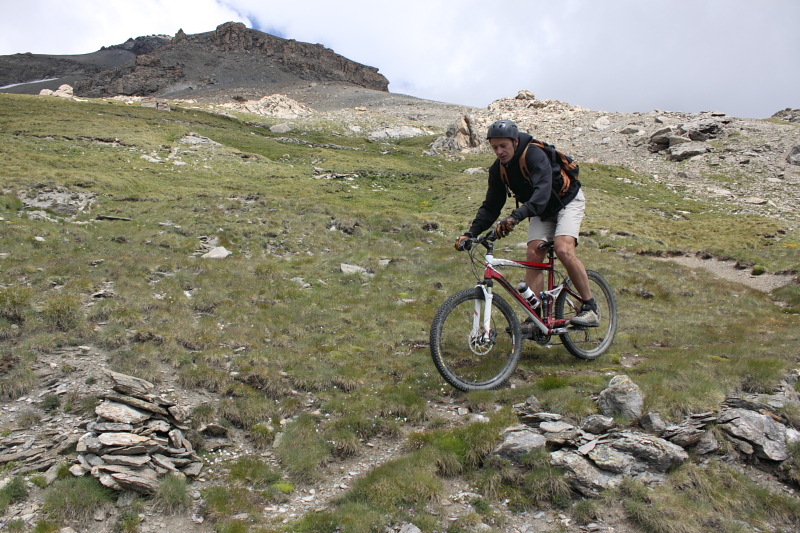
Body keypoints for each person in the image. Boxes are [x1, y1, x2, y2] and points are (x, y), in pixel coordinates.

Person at [454, 119, 599, 328]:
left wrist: (515, 217)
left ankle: (590, 307)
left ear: (515, 141)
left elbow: (541, 193)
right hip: (541, 209)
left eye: (503, 145)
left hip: (566, 201)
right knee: (533, 253)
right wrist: (470, 233)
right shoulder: (498, 170)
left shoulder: (534, 155)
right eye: (494, 147)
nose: (499, 151)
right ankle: (536, 316)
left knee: (563, 249)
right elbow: (491, 206)